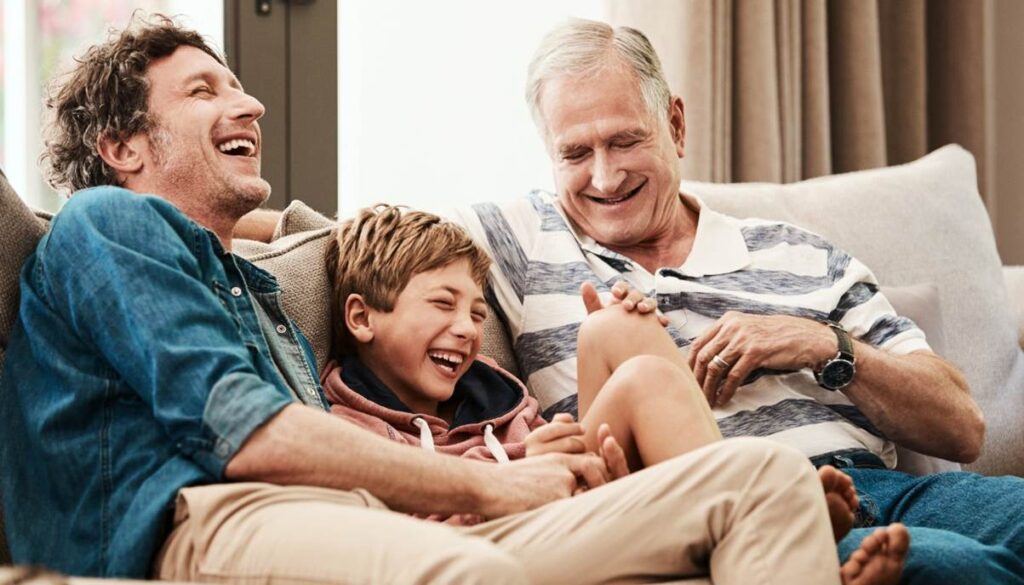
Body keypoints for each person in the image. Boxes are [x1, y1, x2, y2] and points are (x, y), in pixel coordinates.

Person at [0, 15, 886, 585]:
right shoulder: (107, 225)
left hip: (347, 523)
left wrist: (502, 490)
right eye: (206, 90)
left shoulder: (248, 283)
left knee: (761, 481)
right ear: (120, 144)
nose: (252, 101)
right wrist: (496, 488)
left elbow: (352, 236)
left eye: (239, 83)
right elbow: (250, 435)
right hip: (193, 524)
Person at [450, 17, 1024, 585]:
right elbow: (372, 257)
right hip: (735, 512)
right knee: (948, 566)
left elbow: (962, 428)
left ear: (675, 125)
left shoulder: (800, 254)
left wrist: (823, 343)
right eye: (575, 153)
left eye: (625, 140)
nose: (603, 177)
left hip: (883, 488)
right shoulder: (524, 239)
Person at [321, 203, 912, 579]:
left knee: (624, 341)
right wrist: (514, 481)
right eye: (443, 305)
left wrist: (574, 463)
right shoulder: (345, 433)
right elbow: (389, 556)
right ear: (361, 317)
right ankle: (788, 536)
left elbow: (578, 484)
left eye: (477, 312)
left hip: (577, 529)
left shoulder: (503, 401)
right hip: (487, 552)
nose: (467, 328)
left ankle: (776, 536)